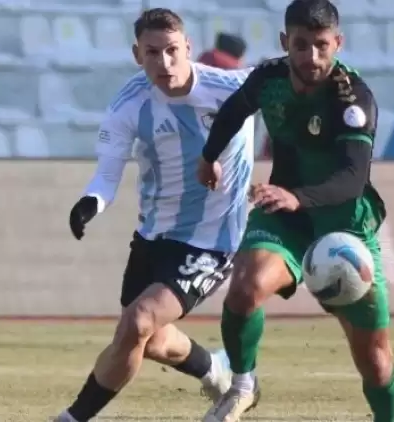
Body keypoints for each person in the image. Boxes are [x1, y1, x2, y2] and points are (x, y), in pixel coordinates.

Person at [197, 1, 394, 421]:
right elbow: (235, 109)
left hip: (345, 227)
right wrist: (209, 155)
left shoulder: (352, 98)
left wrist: (298, 197)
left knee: (377, 363)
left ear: (337, 43)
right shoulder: (269, 78)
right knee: (245, 288)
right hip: (285, 217)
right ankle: (242, 385)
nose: (312, 56)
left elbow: (351, 178)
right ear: (285, 42)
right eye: (301, 45)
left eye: (322, 46)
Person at [54, 8, 256, 422]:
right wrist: (89, 204)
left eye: (171, 51)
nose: (164, 63)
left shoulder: (233, 87)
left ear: (188, 48)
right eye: (152, 53)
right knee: (150, 337)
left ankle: (73, 418)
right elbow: (107, 175)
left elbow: (290, 83)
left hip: (213, 239)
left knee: (138, 321)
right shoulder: (129, 103)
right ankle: (213, 369)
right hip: (154, 234)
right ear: (136, 54)